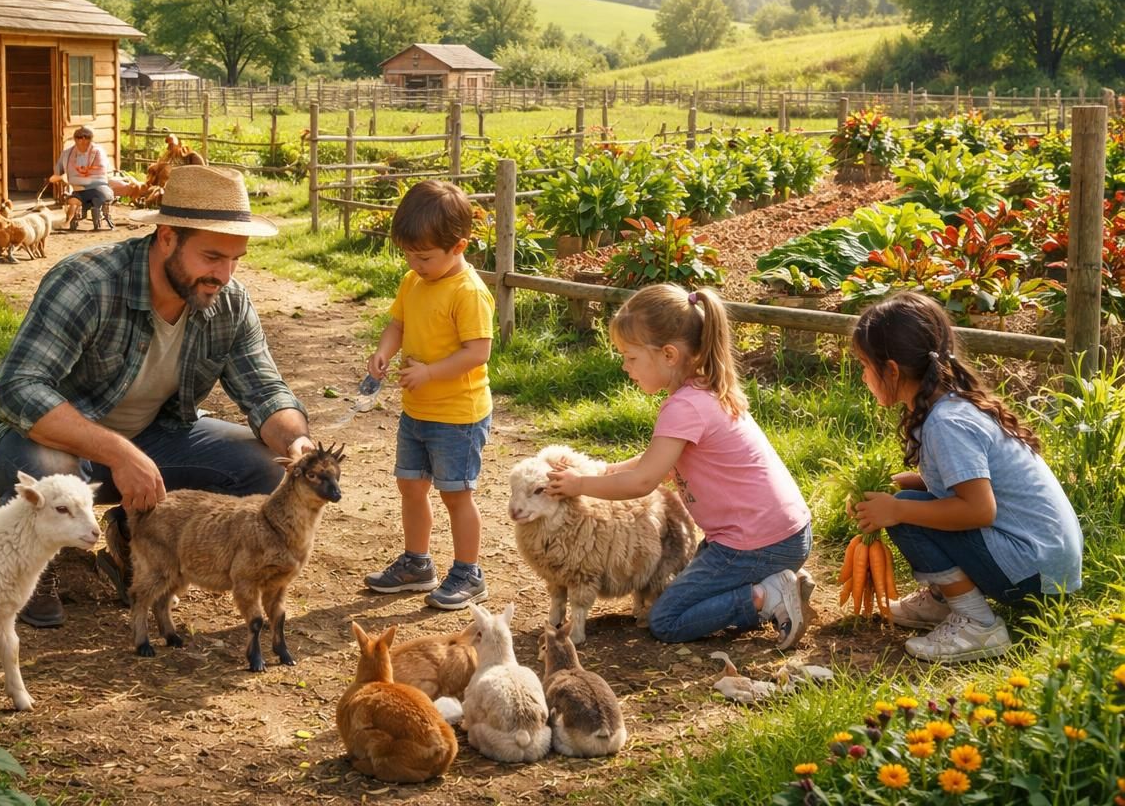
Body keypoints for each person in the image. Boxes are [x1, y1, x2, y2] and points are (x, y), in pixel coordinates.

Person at [0, 164, 316, 627]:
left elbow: (265, 389)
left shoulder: (228, 301)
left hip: (153, 440)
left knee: (263, 469)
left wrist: (297, 445)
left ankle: (132, 543)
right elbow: (17, 391)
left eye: (236, 259)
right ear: (167, 238)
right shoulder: (88, 283)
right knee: (55, 471)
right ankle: (24, 565)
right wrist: (119, 453)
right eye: (212, 257)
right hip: (39, 444)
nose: (225, 275)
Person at [545, 284, 815, 649]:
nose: (625, 367)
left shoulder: (683, 407)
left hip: (755, 544)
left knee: (667, 619)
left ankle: (768, 595)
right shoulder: (704, 391)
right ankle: (782, 584)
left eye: (630, 357)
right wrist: (604, 471)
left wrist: (580, 486)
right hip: (781, 534)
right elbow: (656, 462)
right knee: (682, 591)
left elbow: (643, 481)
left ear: (668, 354)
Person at [849, 291, 1082, 663]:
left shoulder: (947, 422)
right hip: (1045, 562)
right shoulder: (948, 404)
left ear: (891, 370)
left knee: (906, 513)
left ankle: (978, 624)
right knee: (908, 503)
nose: (862, 375)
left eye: (864, 365)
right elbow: (973, 488)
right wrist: (917, 485)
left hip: (1034, 572)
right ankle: (946, 600)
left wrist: (898, 509)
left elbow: (978, 510)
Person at [363, 180, 495, 610]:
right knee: (410, 485)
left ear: (459, 245)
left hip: (458, 414)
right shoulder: (413, 281)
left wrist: (431, 372)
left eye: (424, 256)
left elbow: (478, 351)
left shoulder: (467, 292)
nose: (415, 264)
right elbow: (398, 325)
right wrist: (384, 352)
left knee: (456, 493)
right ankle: (418, 563)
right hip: (417, 409)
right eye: (409, 255)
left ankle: (467, 572)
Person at [49, 126, 122, 232]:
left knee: (100, 196)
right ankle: (68, 223)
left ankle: (98, 221)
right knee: (72, 201)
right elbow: (57, 173)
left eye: (87, 137)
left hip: (98, 188)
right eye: (79, 137)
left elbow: (99, 174)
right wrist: (59, 177)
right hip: (79, 191)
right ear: (75, 139)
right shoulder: (66, 154)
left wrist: (75, 179)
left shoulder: (98, 152)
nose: (83, 140)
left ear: (92, 138)